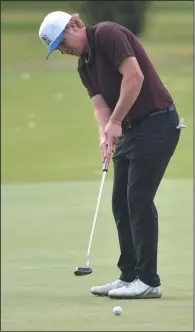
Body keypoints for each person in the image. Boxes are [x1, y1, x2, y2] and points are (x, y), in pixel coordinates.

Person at [39, 11, 183, 299]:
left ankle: (148, 280)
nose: (63, 50)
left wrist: (115, 123)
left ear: (73, 25)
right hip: (129, 129)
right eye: (57, 48)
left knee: (138, 200)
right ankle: (129, 275)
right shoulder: (84, 64)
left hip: (156, 123)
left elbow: (134, 77)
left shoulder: (107, 33)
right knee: (121, 203)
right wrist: (105, 133)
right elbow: (99, 105)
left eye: (61, 41)